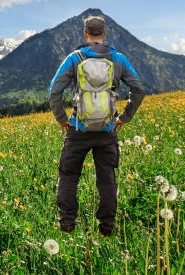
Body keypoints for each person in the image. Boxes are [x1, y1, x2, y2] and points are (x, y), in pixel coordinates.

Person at [48, 15, 145, 236]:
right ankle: (106, 228)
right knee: (107, 178)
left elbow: (54, 91)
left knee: (69, 175)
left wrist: (62, 118)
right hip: (108, 130)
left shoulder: (75, 58)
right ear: (104, 33)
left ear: (85, 34)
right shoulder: (118, 59)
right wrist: (124, 117)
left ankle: (67, 224)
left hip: (78, 129)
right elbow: (138, 90)